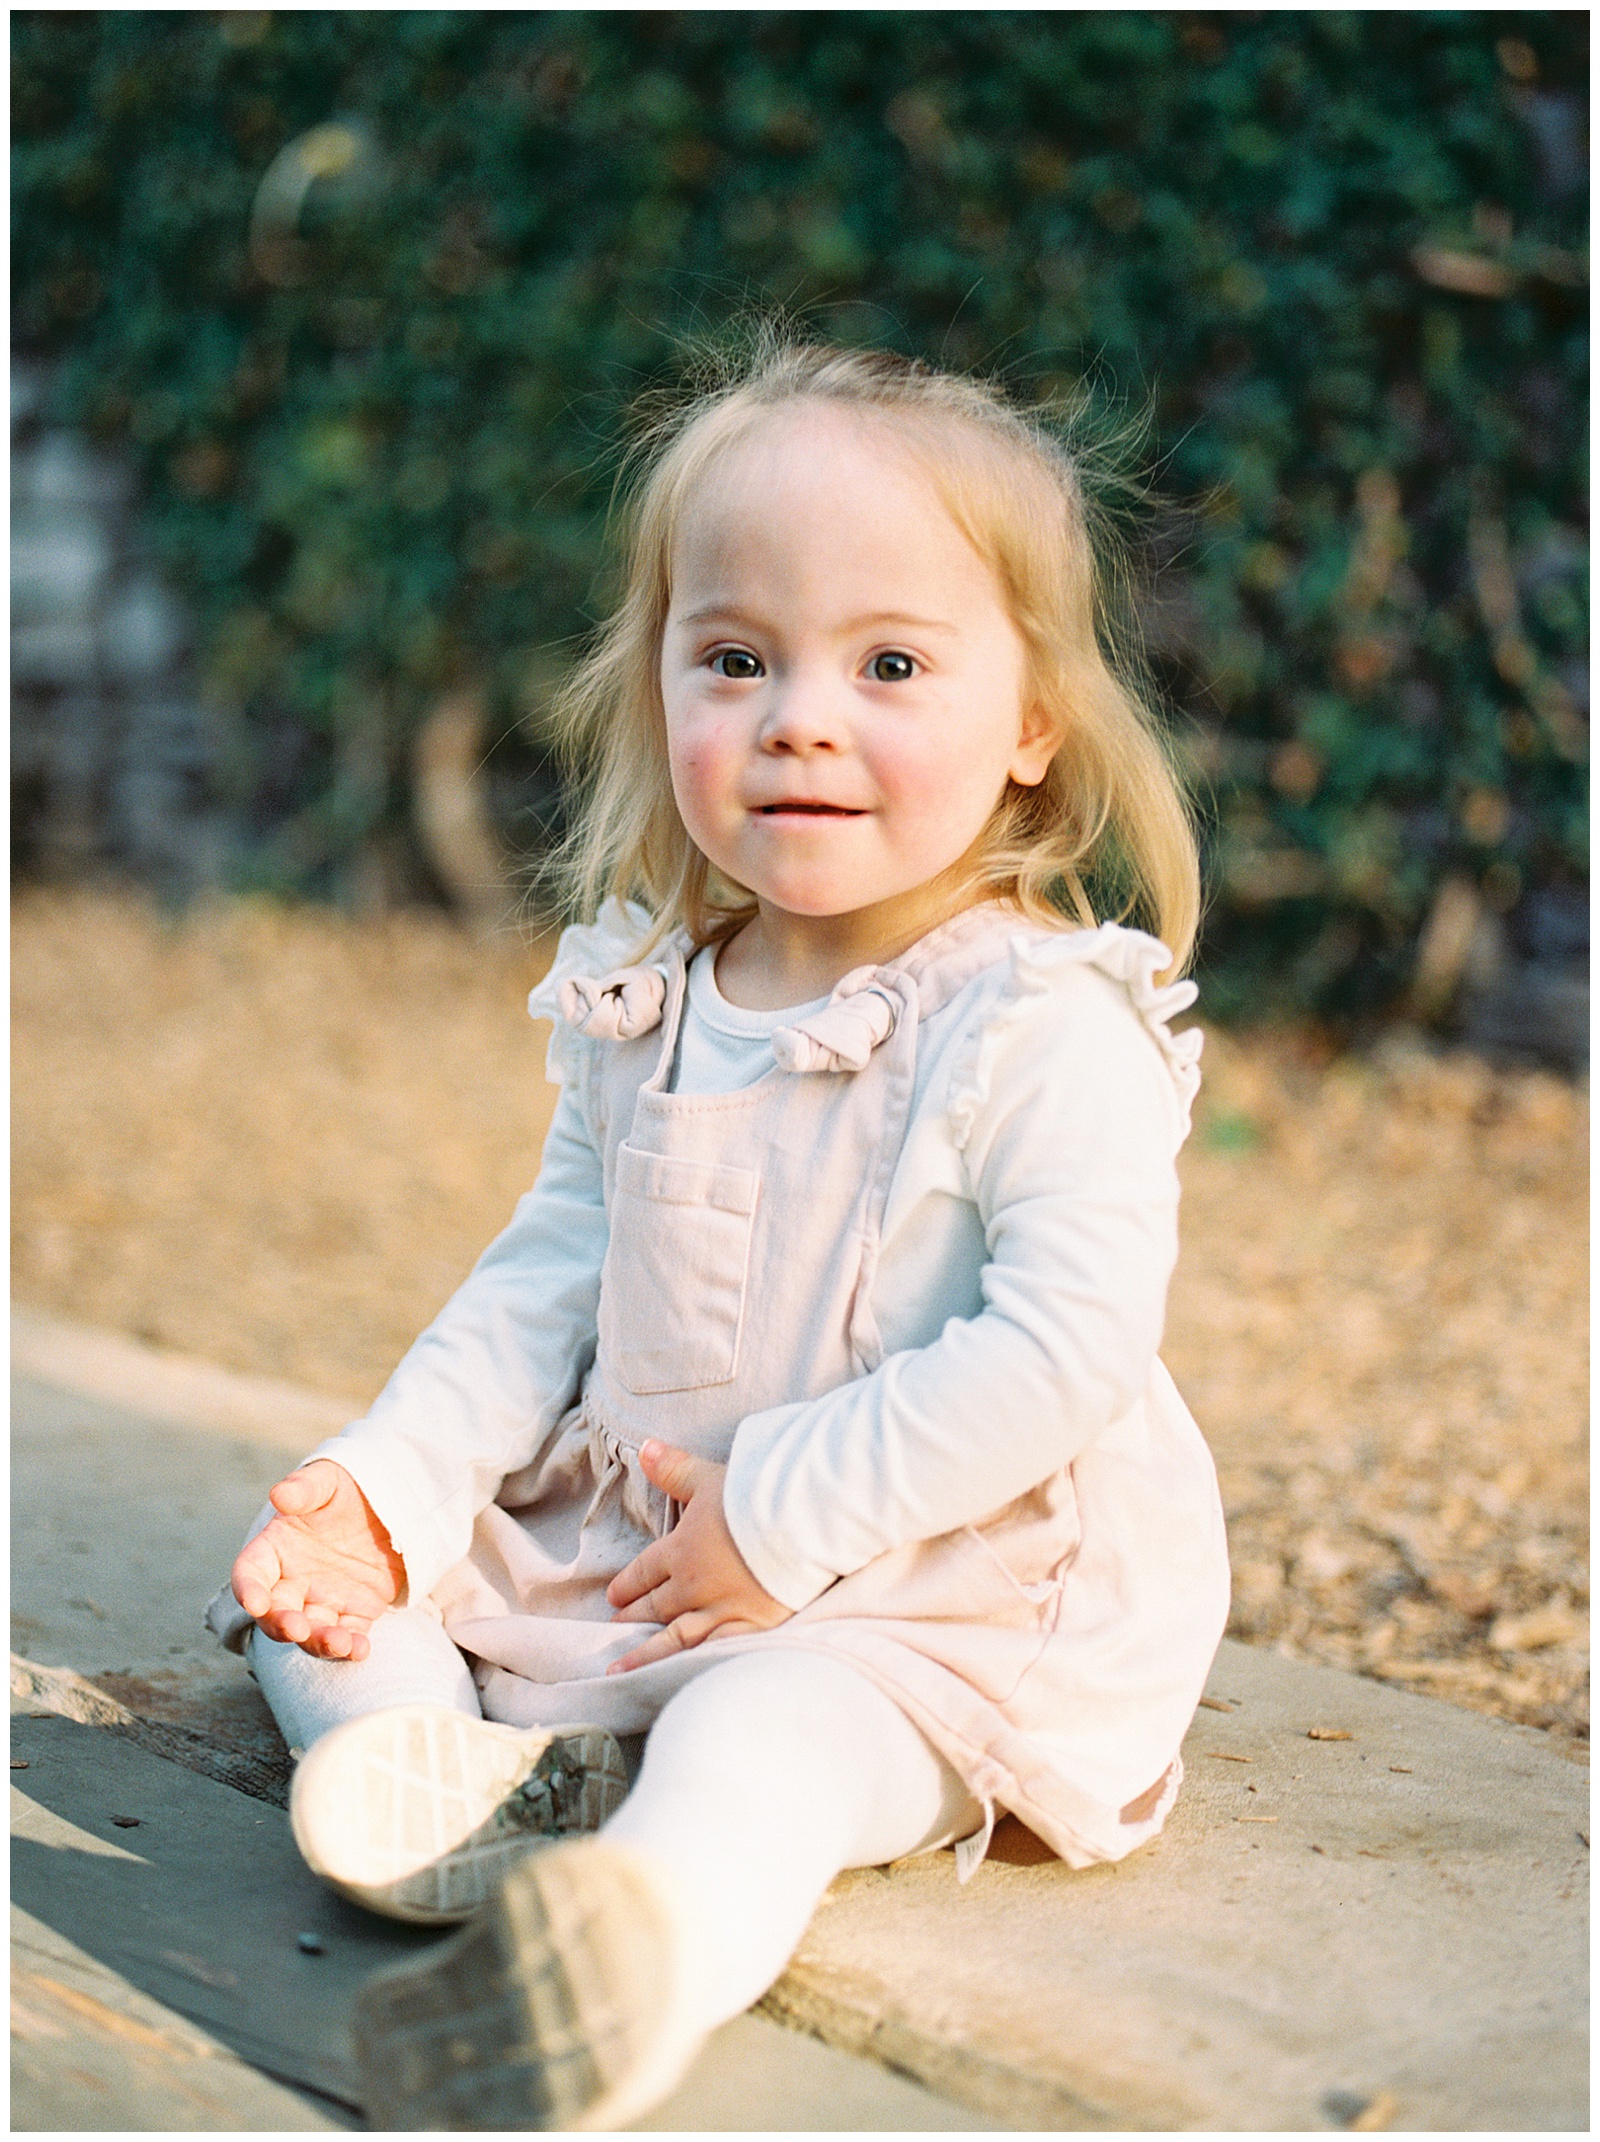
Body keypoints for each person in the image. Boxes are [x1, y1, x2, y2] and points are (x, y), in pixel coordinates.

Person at [207, 334, 1231, 2131]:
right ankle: (429, 1798)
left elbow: (1064, 1350)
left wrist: (785, 1512)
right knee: (312, 1604)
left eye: (891, 662)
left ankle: (632, 1955)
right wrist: (389, 1481)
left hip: (908, 1581)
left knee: (764, 1741)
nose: (799, 717)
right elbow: (544, 1286)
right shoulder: (649, 992)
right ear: (659, 681)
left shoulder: (1043, 1021)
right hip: (648, 1539)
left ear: (1033, 727)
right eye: (737, 657)